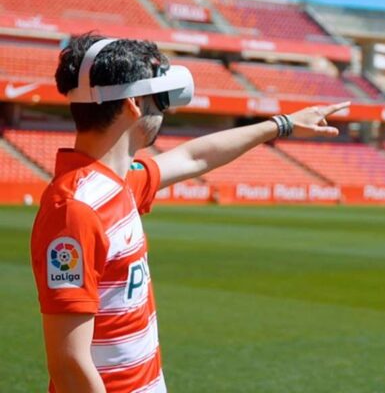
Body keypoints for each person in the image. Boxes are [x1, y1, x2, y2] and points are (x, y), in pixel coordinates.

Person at [30, 33, 348, 392]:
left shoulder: (117, 184)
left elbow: (194, 157)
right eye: (161, 99)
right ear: (134, 103)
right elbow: (69, 364)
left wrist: (282, 124)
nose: (165, 111)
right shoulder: (77, 209)